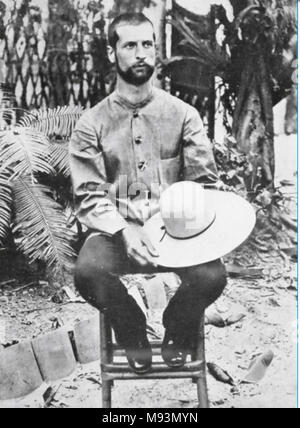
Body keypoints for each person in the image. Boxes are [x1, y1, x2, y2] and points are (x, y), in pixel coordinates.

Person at [69, 13, 227, 374]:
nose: (140, 53)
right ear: (113, 53)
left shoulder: (184, 115)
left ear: (155, 49)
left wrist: (179, 222)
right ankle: (131, 330)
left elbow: (205, 186)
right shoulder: (91, 124)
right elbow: (89, 196)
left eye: (147, 44)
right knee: (88, 273)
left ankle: (178, 328)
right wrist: (124, 229)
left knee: (212, 276)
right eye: (129, 45)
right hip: (116, 232)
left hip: (177, 233)